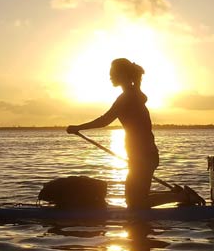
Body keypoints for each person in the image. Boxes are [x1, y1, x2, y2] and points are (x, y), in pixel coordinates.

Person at [67, 58, 180, 210]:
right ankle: (178, 196)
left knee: (136, 203)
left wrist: (77, 127)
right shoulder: (135, 94)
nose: (110, 77)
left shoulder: (127, 97)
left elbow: (105, 120)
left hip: (144, 155)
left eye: (113, 74)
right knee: (134, 201)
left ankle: (180, 197)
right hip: (141, 154)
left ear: (123, 74)